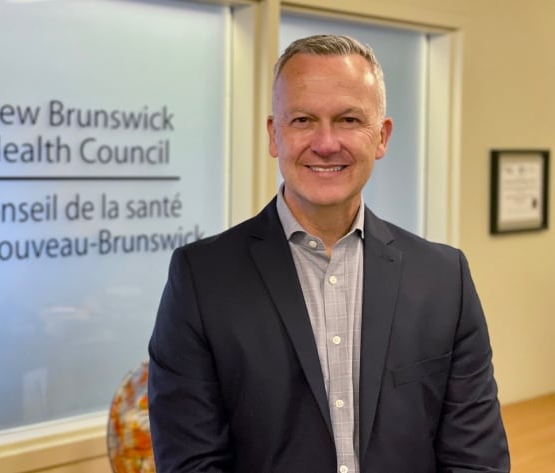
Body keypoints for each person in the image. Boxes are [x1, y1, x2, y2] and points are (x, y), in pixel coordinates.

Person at [147, 34, 509, 473]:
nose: (325, 143)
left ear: (382, 136)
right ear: (274, 135)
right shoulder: (201, 280)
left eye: (349, 119)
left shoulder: (444, 279)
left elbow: (476, 460)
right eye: (302, 119)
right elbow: (192, 463)